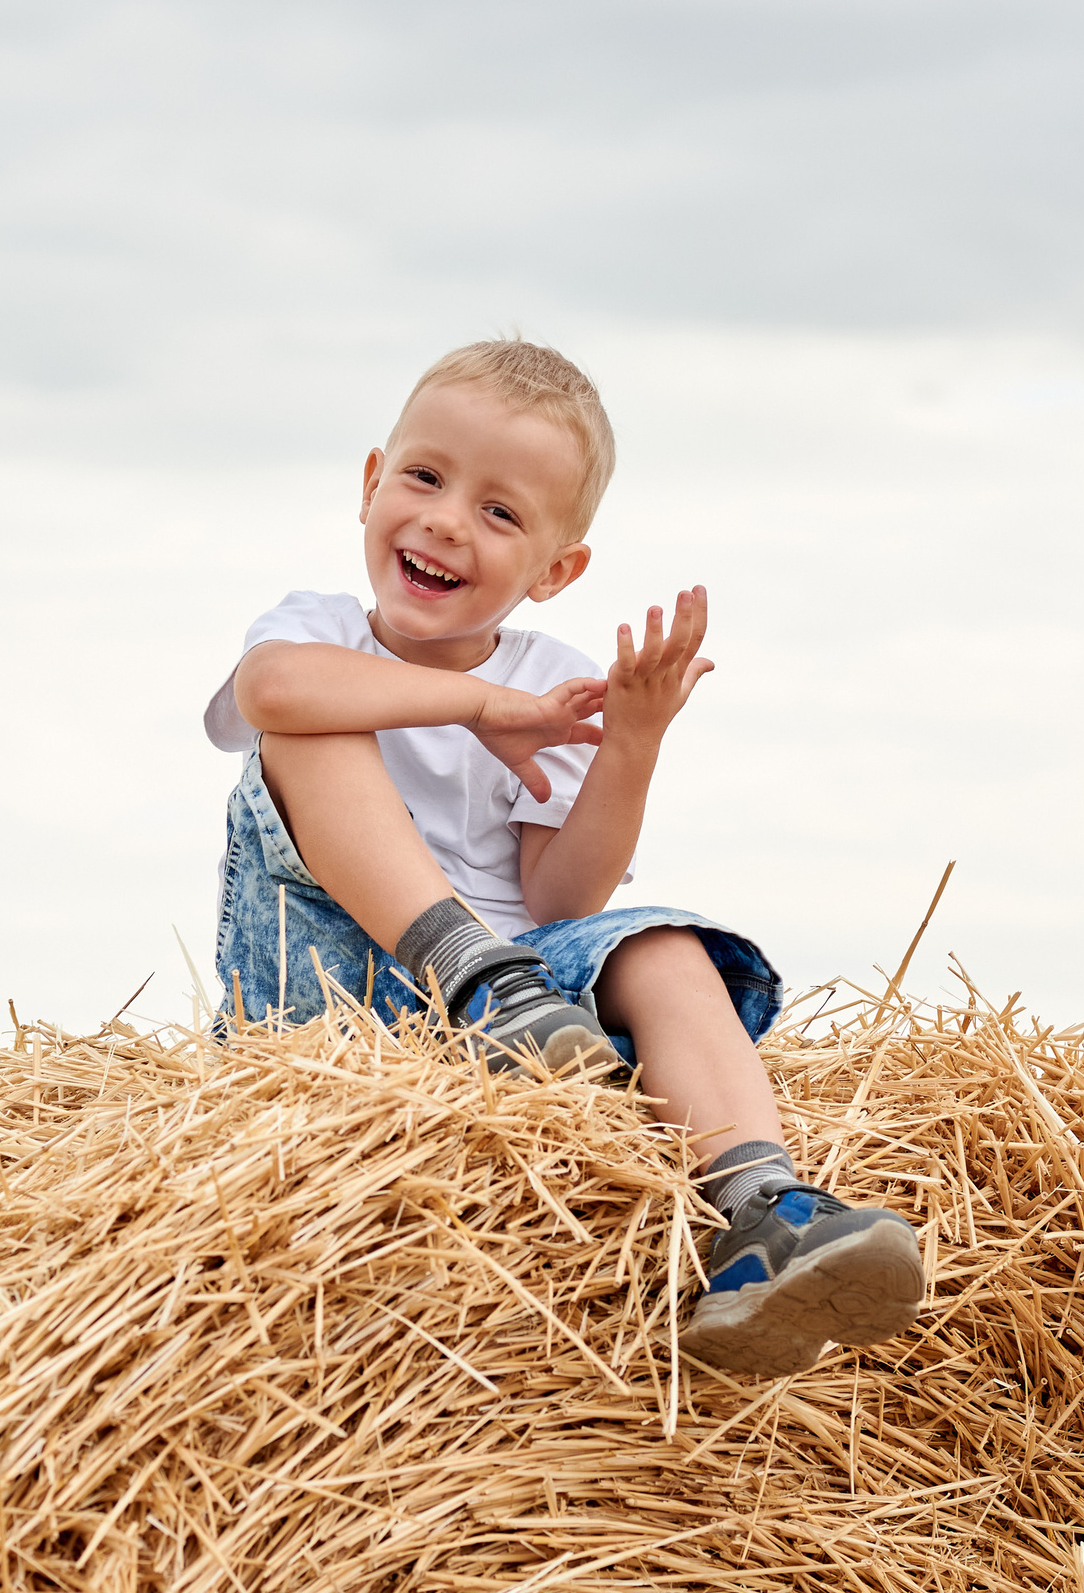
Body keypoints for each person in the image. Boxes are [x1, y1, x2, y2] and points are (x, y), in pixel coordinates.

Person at [201, 338, 923, 1378]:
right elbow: (271, 692)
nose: (447, 520)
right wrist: (480, 704)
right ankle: (471, 972)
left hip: (531, 1020)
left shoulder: (555, 680)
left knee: (663, 943)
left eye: (500, 512)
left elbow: (561, 895)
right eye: (424, 477)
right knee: (307, 728)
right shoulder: (316, 632)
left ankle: (759, 1209)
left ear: (555, 570)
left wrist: (631, 741)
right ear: (369, 484)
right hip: (329, 1006)